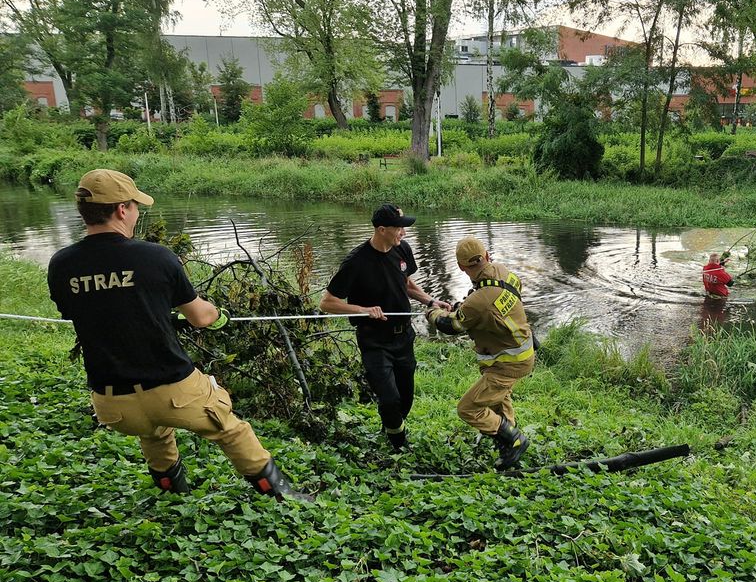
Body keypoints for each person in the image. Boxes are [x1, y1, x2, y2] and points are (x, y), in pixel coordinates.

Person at [46, 168, 308, 499]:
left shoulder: (61, 264)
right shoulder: (155, 257)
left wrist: (154, 311)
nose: (137, 212)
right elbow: (200, 316)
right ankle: (284, 496)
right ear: (122, 209)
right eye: (135, 205)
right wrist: (219, 316)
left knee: (153, 432)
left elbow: (89, 310)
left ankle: (172, 492)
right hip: (172, 392)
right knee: (229, 427)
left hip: (113, 406)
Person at [319, 203, 449, 450]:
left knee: (405, 399)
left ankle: (391, 426)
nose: (404, 232)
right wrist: (364, 310)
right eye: (399, 228)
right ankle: (398, 444)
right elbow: (327, 302)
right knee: (389, 399)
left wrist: (431, 300)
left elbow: (407, 284)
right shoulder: (356, 261)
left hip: (404, 337)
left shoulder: (402, 249)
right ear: (381, 229)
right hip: (374, 340)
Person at [426, 237, 534, 470]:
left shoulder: (478, 303)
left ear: (460, 266)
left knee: (468, 408)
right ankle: (506, 441)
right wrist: (463, 308)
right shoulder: (503, 272)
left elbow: (451, 327)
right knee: (499, 399)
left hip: (508, 362)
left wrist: (433, 314)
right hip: (519, 352)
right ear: (486, 256)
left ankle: (514, 440)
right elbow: (488, 305)